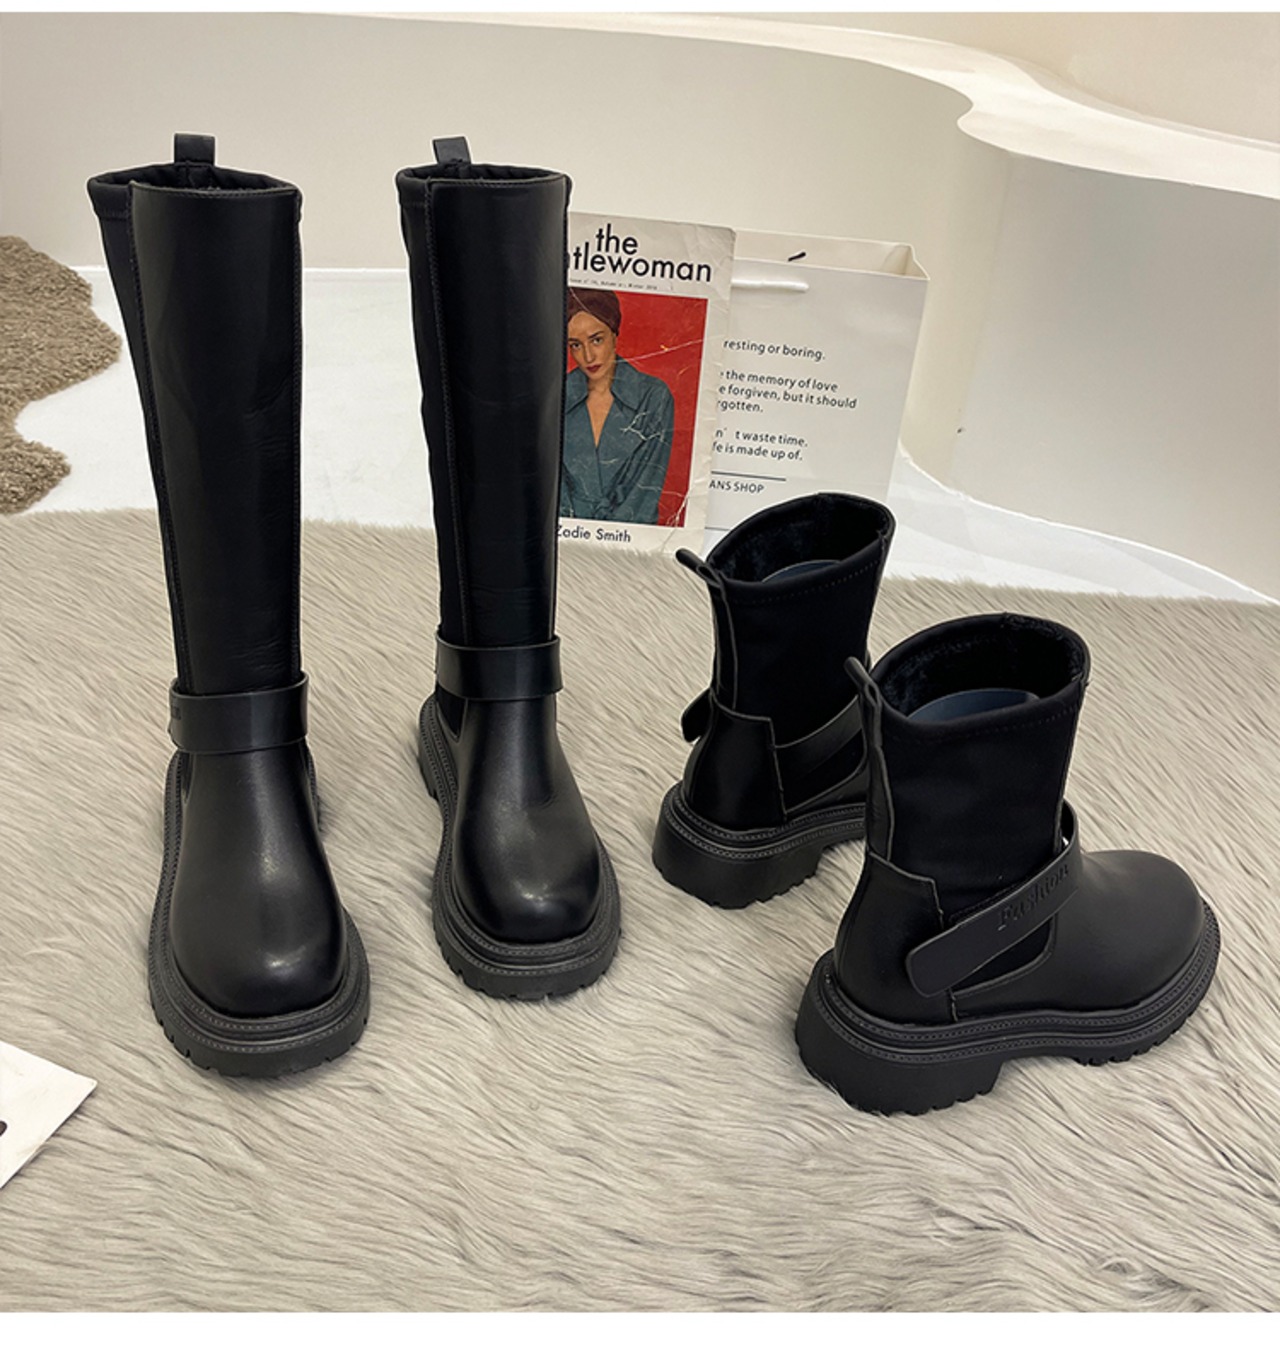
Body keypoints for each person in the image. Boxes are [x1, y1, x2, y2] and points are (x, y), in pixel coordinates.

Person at [561, 287, 676, 524]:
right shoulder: (557, 395)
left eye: (596, 340)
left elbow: (643, 495)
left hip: (629, 536)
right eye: (575, 345)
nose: (588, 357)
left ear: (614, 334)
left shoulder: (653, 396)